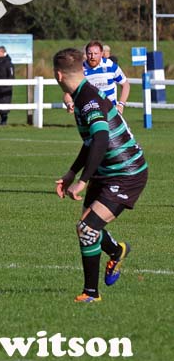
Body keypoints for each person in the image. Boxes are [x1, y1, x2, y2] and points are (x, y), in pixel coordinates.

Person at [53, 48, 147, 303]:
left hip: (127, 173)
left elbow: (102, 139)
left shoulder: (88, 100)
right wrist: (72, 172)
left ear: (58, 75)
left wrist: (83, 181)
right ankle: (117, 252)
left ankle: (91, 294)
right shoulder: (83, 95)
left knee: (86, 229)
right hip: (108, 171)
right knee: (86, 227)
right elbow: (91, 141)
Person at [63, 41, 129, 115]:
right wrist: (69, 104)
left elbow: (125, 85)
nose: (92, 57)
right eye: (90, 53)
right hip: (90, 114)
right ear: (86, 54)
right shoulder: (80, 70)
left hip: (111, 112)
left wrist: (121, 105)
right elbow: (68, 93)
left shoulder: (110, 65)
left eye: (95, 54)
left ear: (101, 54)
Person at [0, 46, 15, 125]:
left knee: (4, 103)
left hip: (5, 88)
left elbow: (11, 75)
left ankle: (4, 120)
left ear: (3, 52)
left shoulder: (8, 63)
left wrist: (7, 85)